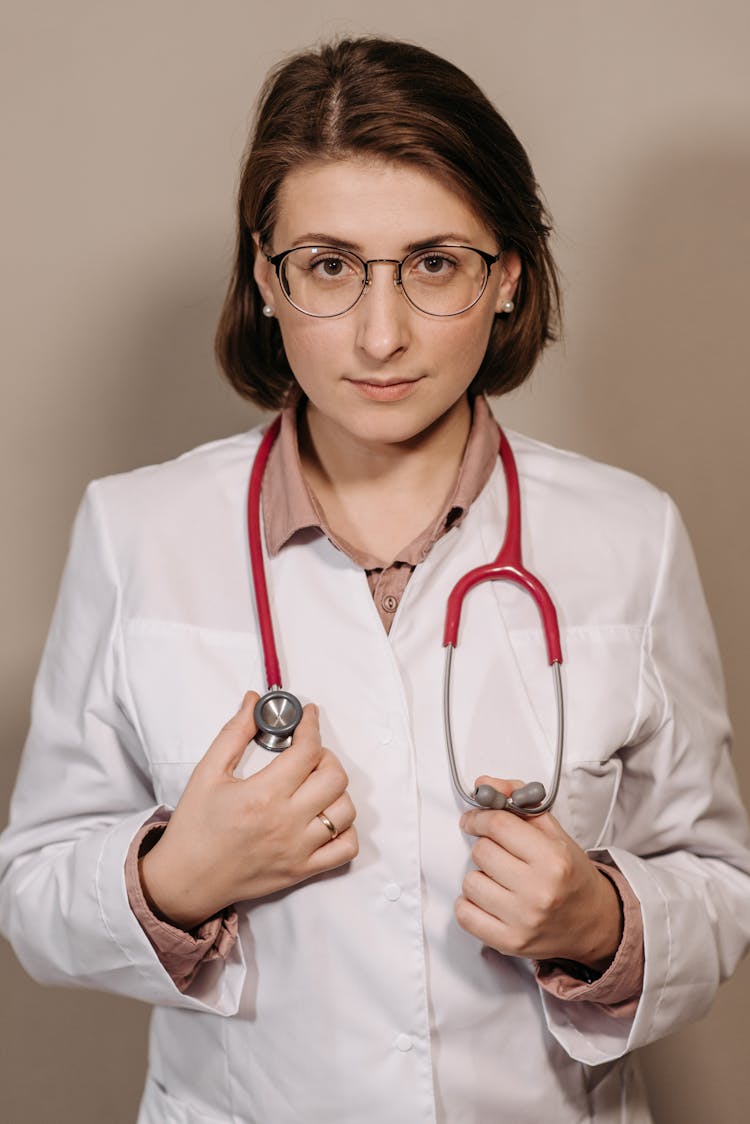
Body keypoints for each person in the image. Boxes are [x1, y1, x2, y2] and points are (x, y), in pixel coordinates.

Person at [1, 35, 749, 1124]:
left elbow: (719, 882)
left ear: (506, 278)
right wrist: (172, 879)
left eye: (435, 263)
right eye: (330, 264)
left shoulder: (629, 536)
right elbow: (31, 893)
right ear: (266, 277)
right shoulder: (137, 530)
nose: (381, 332)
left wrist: (600, 919)